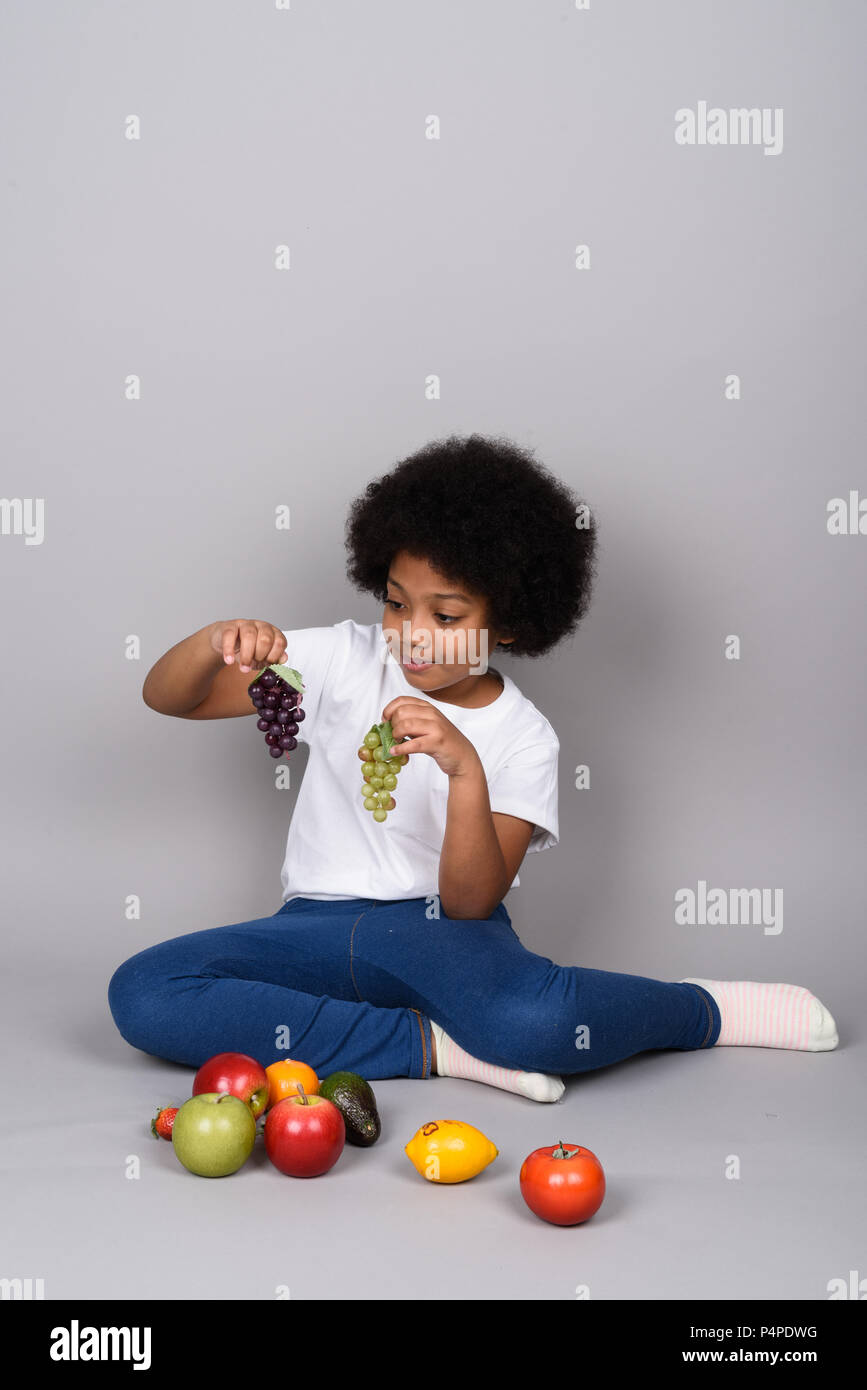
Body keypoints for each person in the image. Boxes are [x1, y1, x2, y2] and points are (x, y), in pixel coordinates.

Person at [108, 433, 838, 1102]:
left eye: (446, 617)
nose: (411, 637)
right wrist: (213, 642)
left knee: (532, 1025)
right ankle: (436, 1047)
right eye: (395, 605)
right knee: (143, 993)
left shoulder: (522, 736)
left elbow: (467, 902)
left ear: (510, 622)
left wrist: (464, 770)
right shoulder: (343, 657)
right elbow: (173, 699)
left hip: (440, 935)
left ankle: (702, 1009)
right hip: (309, 927)